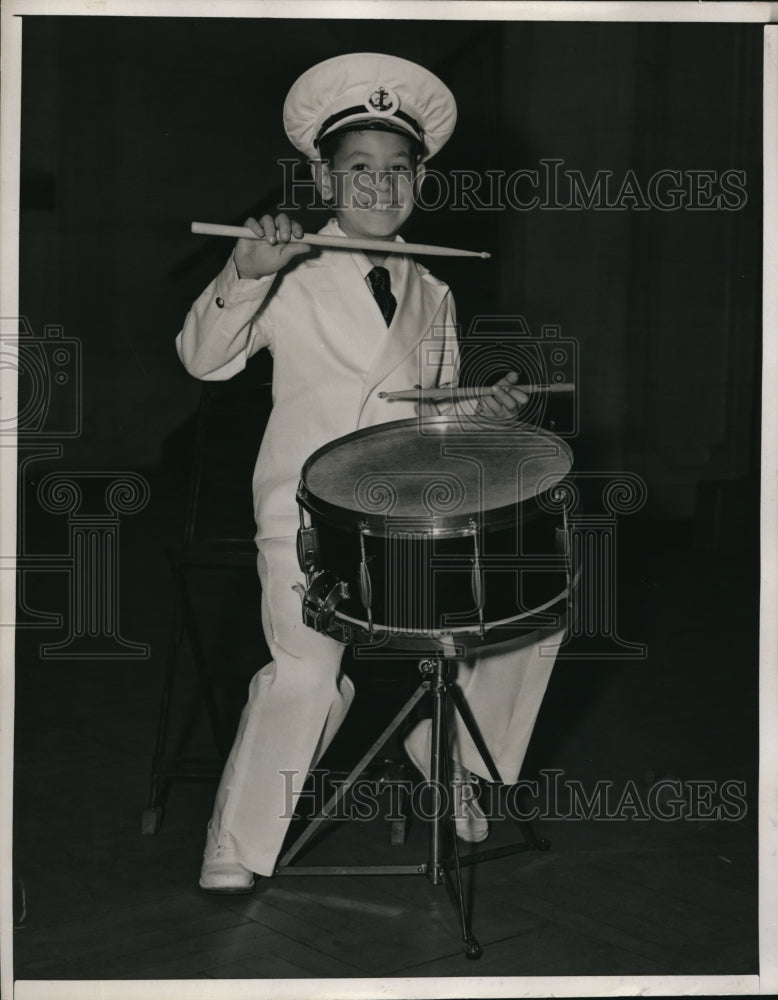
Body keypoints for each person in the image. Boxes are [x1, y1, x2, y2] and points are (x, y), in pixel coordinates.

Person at [176, 52, 564, 894]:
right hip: (309, 524)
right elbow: (203, 361)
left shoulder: (435, 291)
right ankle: (237, 841)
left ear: (420, 179)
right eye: (359, 169)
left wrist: (480, 412)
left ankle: (455, 756)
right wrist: (245, 275)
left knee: (534, 616)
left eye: (398, 170)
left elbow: (427, 418)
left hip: (409, 521)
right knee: (309, 672)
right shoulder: (289, 272)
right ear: (323, 175)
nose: (380, 187)